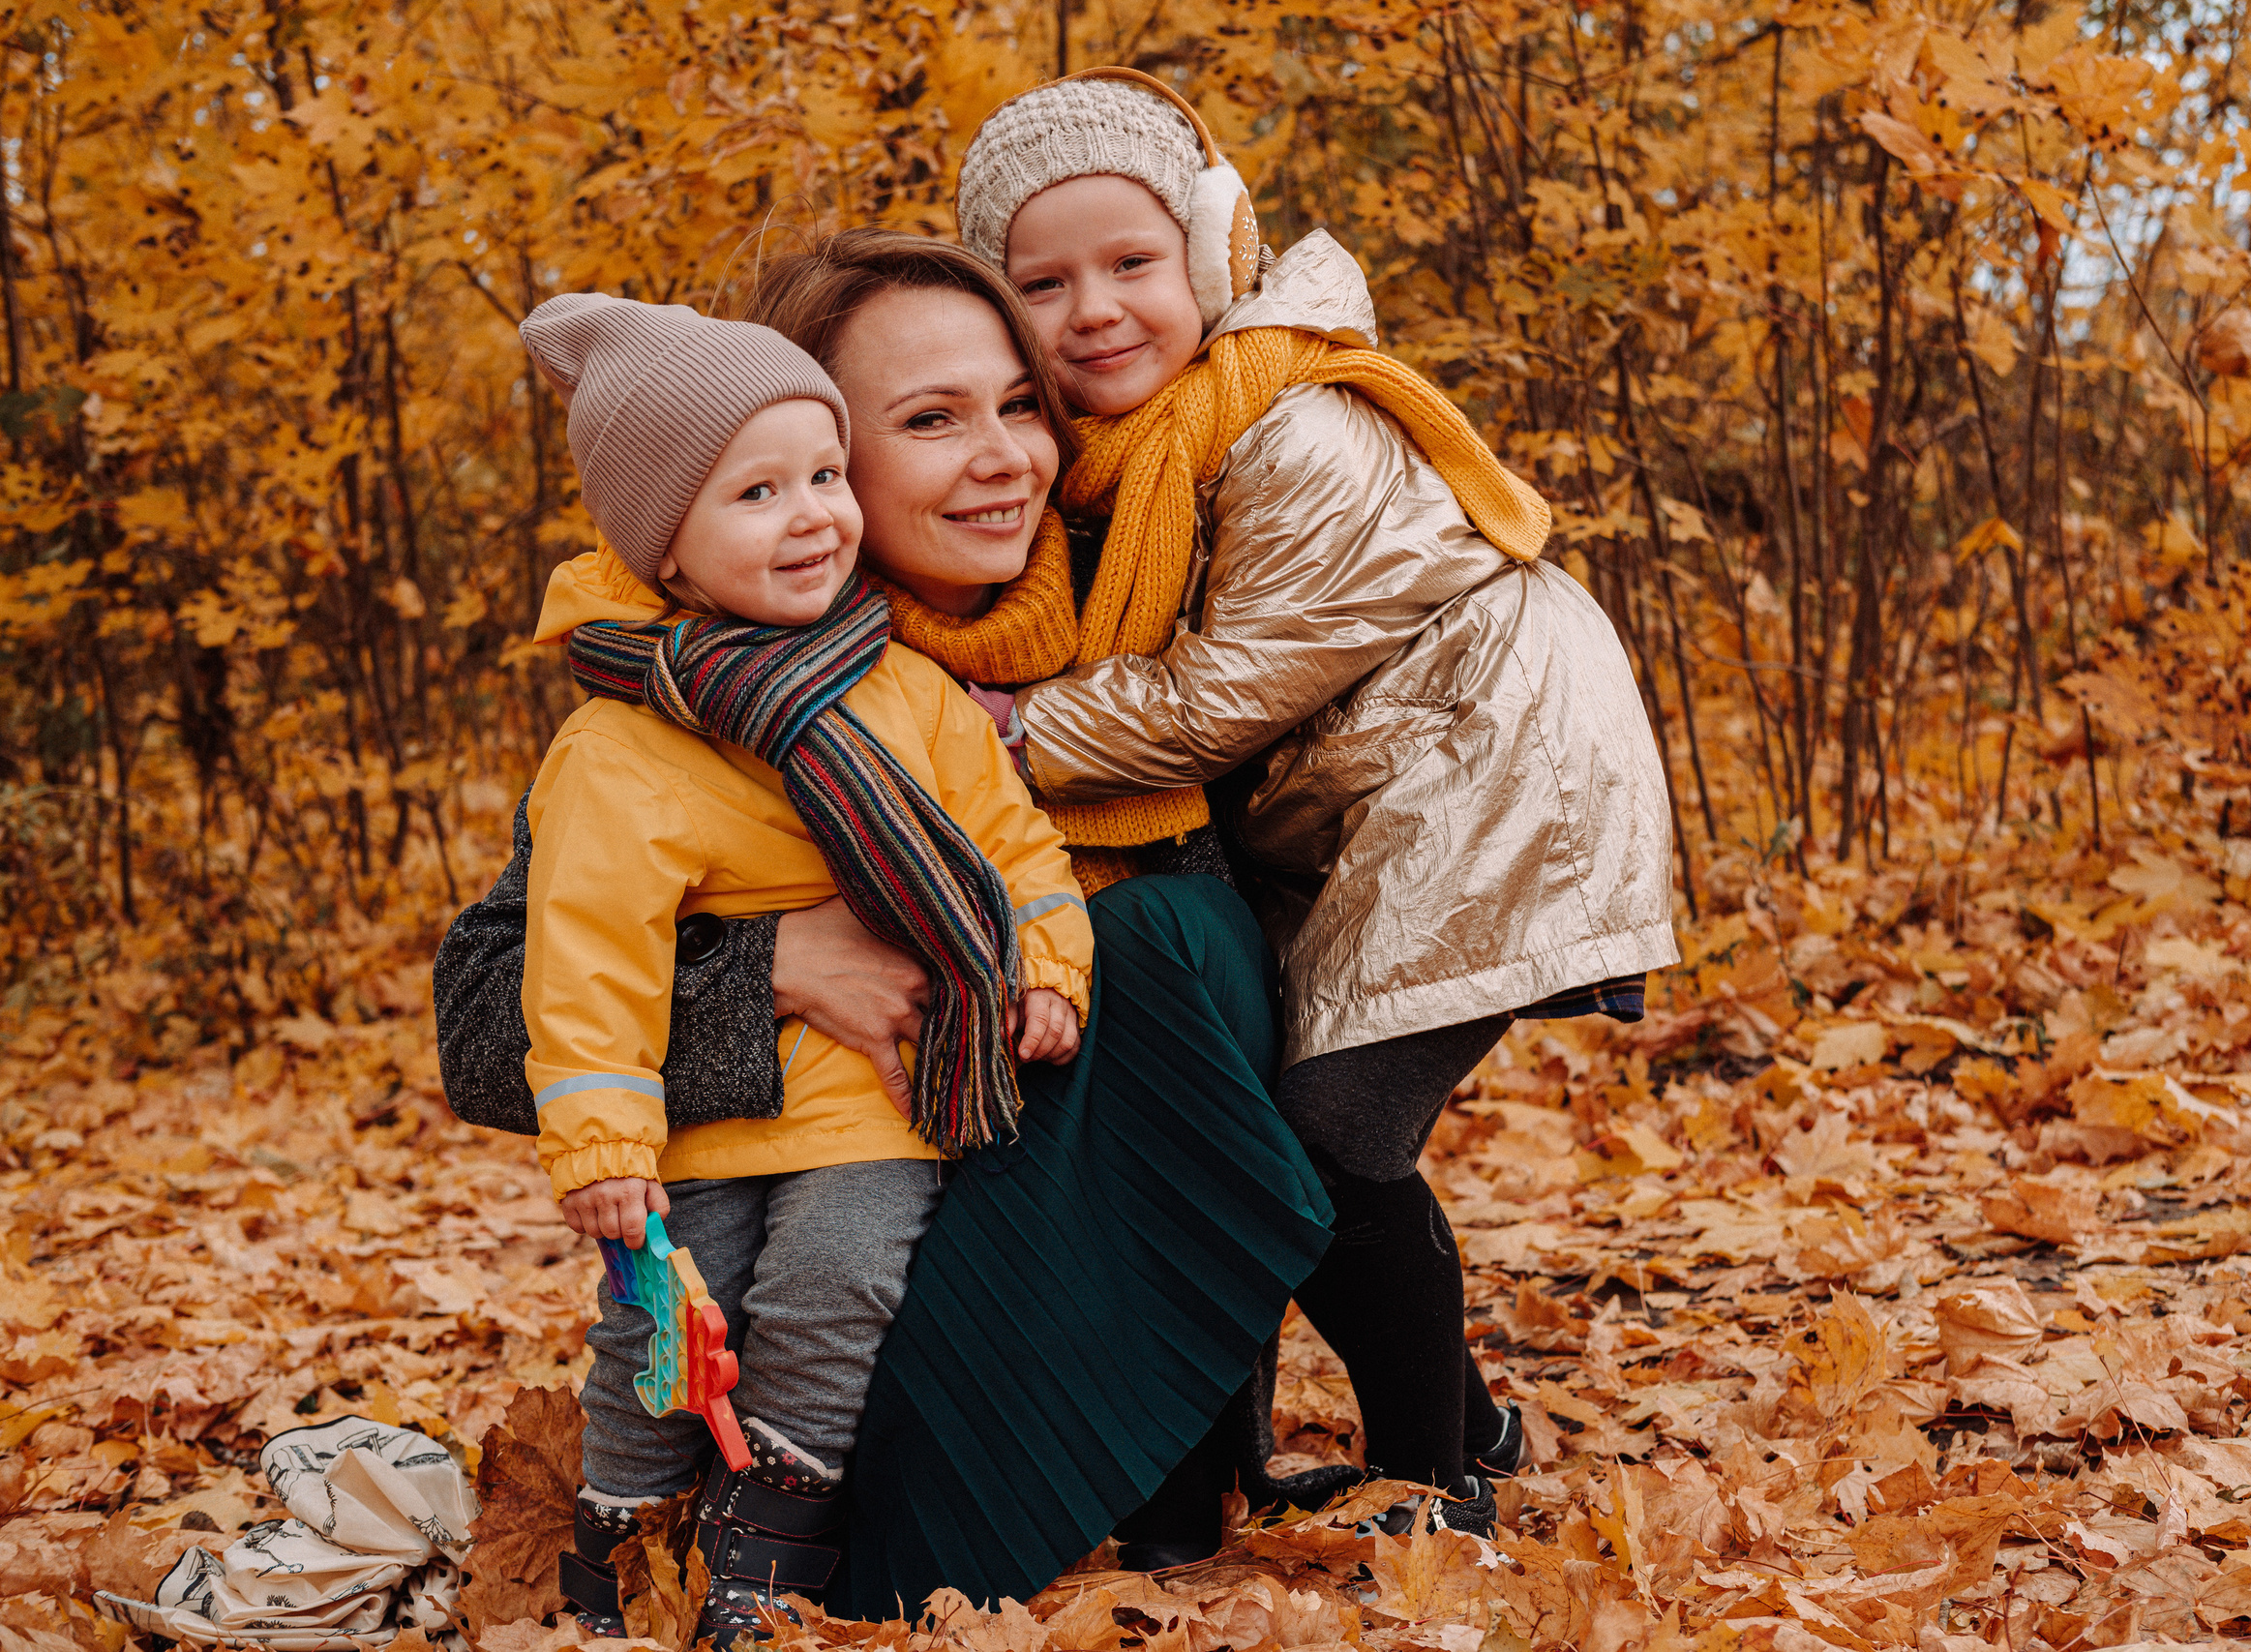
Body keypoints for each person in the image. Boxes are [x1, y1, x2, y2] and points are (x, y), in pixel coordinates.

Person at [435, 238, 1335, 1625]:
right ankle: (744, 1531)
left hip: (1074, 1232)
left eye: (1021, 405)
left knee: (1170, 932)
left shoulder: (1165, 618)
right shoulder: (685, 686)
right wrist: (772, 966)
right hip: (847, 1257)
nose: (1004, 459)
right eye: (928, 420)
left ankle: (1150, 1477)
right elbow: (492, 1018)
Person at [948, 68, 1683, 1542]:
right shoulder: (1129, 460)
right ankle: (1450, 1426)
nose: (1095, 306)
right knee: (1278, 1125)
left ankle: (1442, 1472)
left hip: (1489, 771)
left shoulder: (1293, 419)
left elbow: (1230, 692)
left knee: (1325, 1139)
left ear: (1214, 253)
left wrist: (1005, 736)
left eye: (1133, 263)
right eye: (1044, 280)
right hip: (1379, 794)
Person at [509, 291, 1093, 1642]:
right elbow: (584, 959)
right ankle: (624, 1537)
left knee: (831, 1292)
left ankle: (771, 1546)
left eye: (825, 476)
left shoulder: (907, 692)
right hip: (704, 1120)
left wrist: (1049, 964)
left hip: (878, 1097)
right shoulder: (620, 746)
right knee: (662, 1327)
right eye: (756, 493)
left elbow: (1019, 855)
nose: (815, 514)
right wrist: (601, 1143)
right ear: (662, 547)